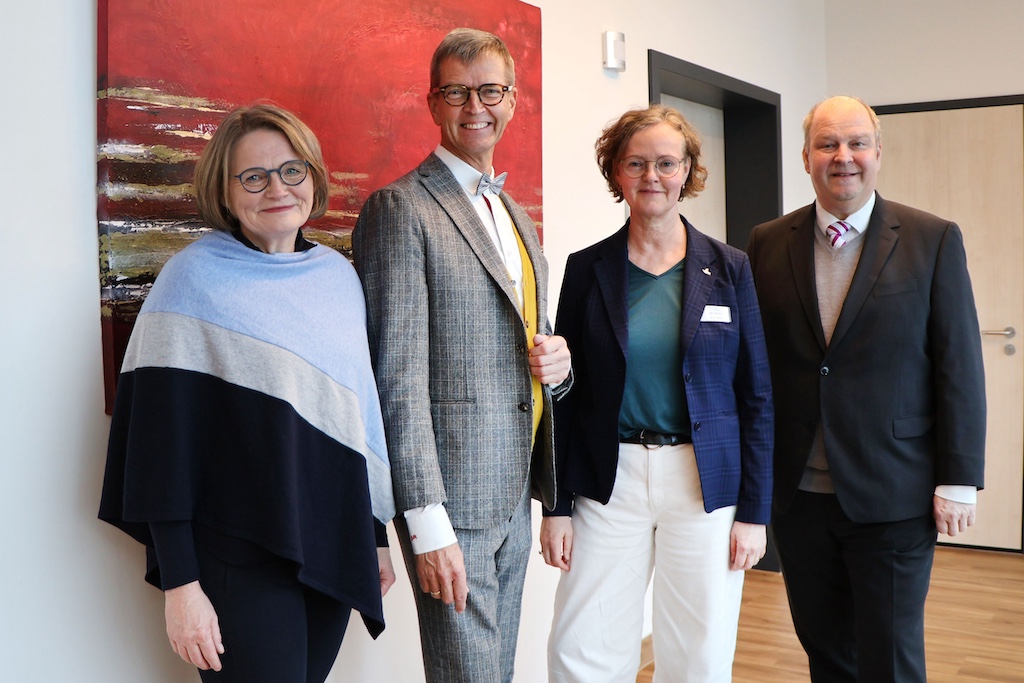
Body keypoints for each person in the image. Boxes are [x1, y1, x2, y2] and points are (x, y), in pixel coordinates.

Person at [98, 103, 396, 683]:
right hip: (234, 557)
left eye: (292, 171)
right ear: (226, 191)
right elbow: (161, 448)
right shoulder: (193, 279)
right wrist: (181, 586)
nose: (276, 189)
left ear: (312, 176)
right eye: (253, 177)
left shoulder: (337, 279)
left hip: (327, 543)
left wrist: (373, 535)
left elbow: (355, 416)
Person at [352, 27, 571, 683]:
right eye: (456, 91)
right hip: (451, 505)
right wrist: (424, 522)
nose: (475, 105)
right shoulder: (400, 208)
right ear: (433, 101)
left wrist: (557, 368)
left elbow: (525, 346)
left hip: (514, 498)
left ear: (512, 100)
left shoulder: (516, 213)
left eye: (490, 90)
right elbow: (395, 378)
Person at [746, 95, 986, 683]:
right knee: (826, 655)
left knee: (892, 661)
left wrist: (959, 480)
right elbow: (754, 367)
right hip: (797, 496)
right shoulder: (767, 242)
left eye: (856, 143)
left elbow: (959, 366)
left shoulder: (932, 239)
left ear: (878, 153)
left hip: (894, 493)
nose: (843, 157)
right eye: (827, 144)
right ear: (805, 157)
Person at [540, 104, 774, 683]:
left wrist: (755, 512)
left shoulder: (730, 268)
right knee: (583, 645)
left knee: (698, 649)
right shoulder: (586, 269)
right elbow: (564, 394)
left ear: (688, 170)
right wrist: (557, 505)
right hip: (607, 481)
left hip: (702, 483)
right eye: (636, 162)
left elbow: (757, 395)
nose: (652, 176)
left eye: (667, 163)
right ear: (616, 172)